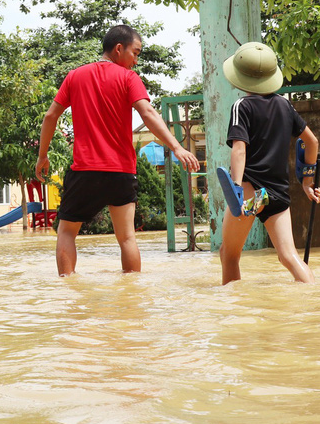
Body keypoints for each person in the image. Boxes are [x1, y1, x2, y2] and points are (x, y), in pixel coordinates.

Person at [35, 24, 200, 276]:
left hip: (84, 171)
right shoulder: (128, 79)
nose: (136, 61)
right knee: (126, 238)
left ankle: (67, 294)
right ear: (119, 48)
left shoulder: (75, 76)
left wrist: (42, 155)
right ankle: (132, 300)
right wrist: (176, 147)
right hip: (121, 172)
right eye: (135, 53)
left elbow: (50, 116)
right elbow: (148, 112)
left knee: (66, 232)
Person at [219, 41, 320, 285]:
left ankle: (234, 313)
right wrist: (307, 182)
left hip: (250, 192)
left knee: (229, 255)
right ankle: (315, 298)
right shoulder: (285, 105)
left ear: (239, 77)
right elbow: (313, 142)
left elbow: (240, 149)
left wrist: (235, 188)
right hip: (278, 193)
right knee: (289, 257)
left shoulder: (241, 106)